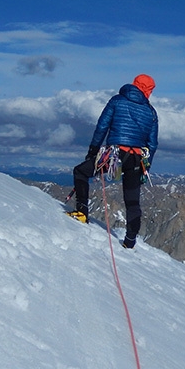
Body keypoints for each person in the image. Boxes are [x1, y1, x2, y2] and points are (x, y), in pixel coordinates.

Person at [67, 74, 159, 249]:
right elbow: (152, 144)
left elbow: (102, 126)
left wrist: (93, 151)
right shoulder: (151, 112)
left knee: (81, 171)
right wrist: (145, 168)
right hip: (136, 158)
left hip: (113, 154)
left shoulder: (117, 101)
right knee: (132, 200)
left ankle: (82, 212)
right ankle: (130, 241)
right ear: (148, 90)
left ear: (134, 84)